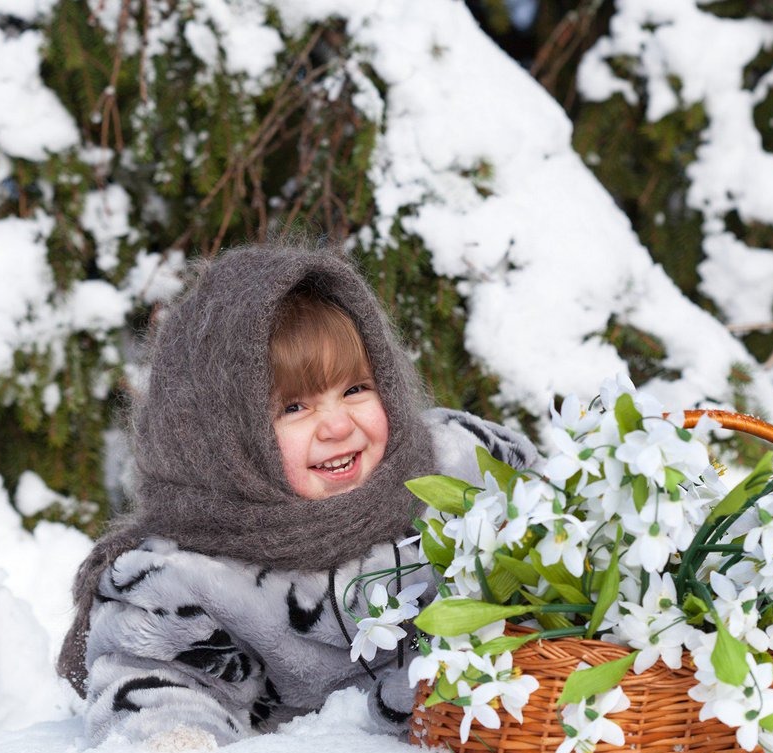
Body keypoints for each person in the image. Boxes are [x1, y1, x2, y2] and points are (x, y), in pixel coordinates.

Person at [55, 243, 536, 748]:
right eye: (293, 408)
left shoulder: (461, 468)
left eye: (355, 390)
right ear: (225, 439)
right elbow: (158, 678)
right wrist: (175, 735)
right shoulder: (194, 578)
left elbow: (565, 523)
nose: (336, 425)